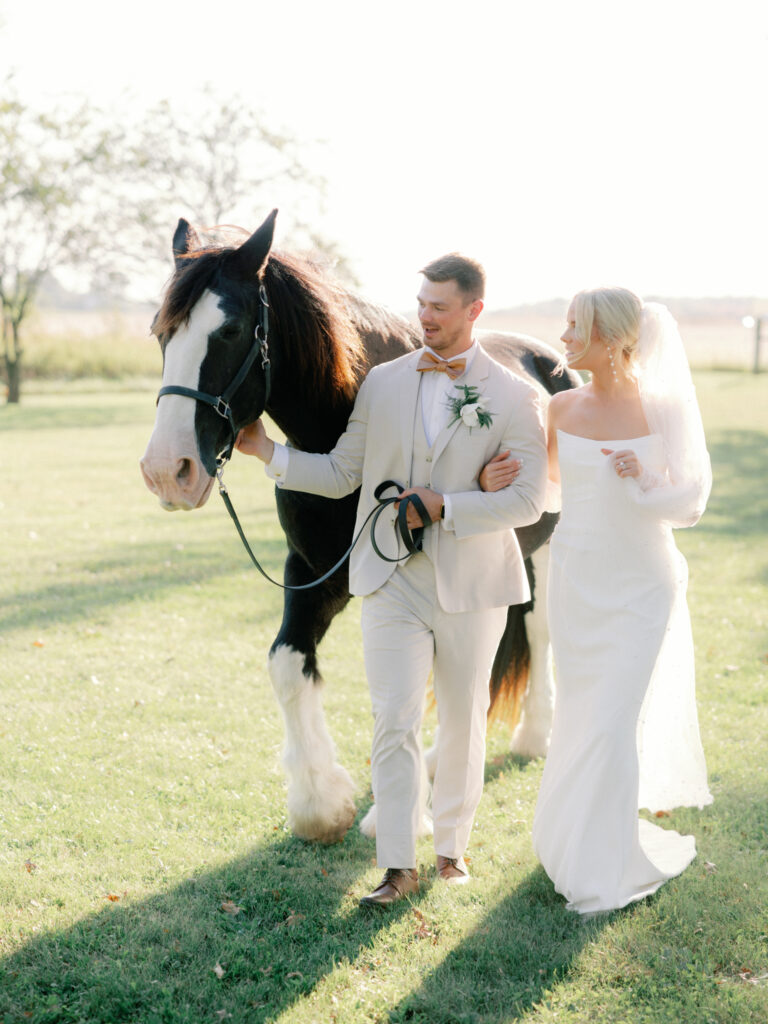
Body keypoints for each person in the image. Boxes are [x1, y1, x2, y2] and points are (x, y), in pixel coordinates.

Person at [235, 254, 548, 906]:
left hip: (473, 582)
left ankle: (452, 850)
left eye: (439, 306)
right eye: (421, 302)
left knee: (462, 722)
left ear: (473, 312)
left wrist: (447, 505)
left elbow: (527, 504)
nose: (425, 316)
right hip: (388, 576)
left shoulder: (515, 395)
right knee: (393, 719)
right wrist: (269, 453)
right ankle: (397, 866)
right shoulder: (380, 384)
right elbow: (343, 471)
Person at [482, 287, 712, 914]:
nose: (562, 338)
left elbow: (690, 500)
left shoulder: (663, 407)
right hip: (578, 579)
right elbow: (552, 493)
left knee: (612, 724)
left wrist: (643, 484)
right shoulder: (559, 409)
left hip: (643, 583)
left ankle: (604, 864)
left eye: (574, 327)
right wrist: (496, 477)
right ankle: (571, 844)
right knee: (583, 716)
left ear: (609, 339)